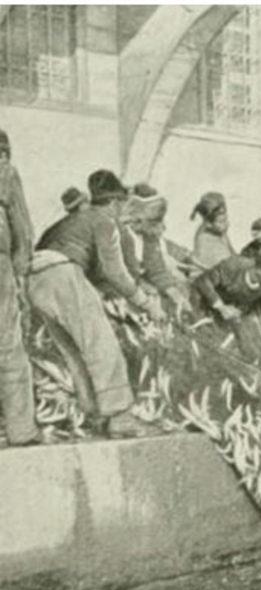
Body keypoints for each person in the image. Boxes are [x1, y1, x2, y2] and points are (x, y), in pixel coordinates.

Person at [30, 169, 165, 438]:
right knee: (101, 344)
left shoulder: (67, 222)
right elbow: (115, 272)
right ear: (114, 202)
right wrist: (147, 303)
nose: (123, 209)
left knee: (74, 352)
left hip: (34, 280)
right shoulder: (105, 221)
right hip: (63, 274)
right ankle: (120, 418)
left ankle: (94, 414)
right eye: (122, 203)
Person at [192, 248, 261, 363]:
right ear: (259, 270)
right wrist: (221, 306)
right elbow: (203, 281)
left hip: (229, 315)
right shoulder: (234, 265)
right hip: (204, 300)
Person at [0, 129, 39, 446]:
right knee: (8, 347)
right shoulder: (6, 172)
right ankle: (20, 429)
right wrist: (20, 275)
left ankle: (19, 428)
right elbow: (22, 230)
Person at [121, 184, 191, 319]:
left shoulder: (149, 237)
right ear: (136, 218)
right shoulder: (121, 235)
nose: (160, 226)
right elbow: (119, 275)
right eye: (154, 221)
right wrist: (147, 300)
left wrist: (175, 294)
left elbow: (156, 269)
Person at [191, 191, 234, 269]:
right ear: (208, 223)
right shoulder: (205, 239)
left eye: (226, 219)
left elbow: (232, 254)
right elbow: (226, 265)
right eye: (221, 222)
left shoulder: (218, 231)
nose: (227, 224)